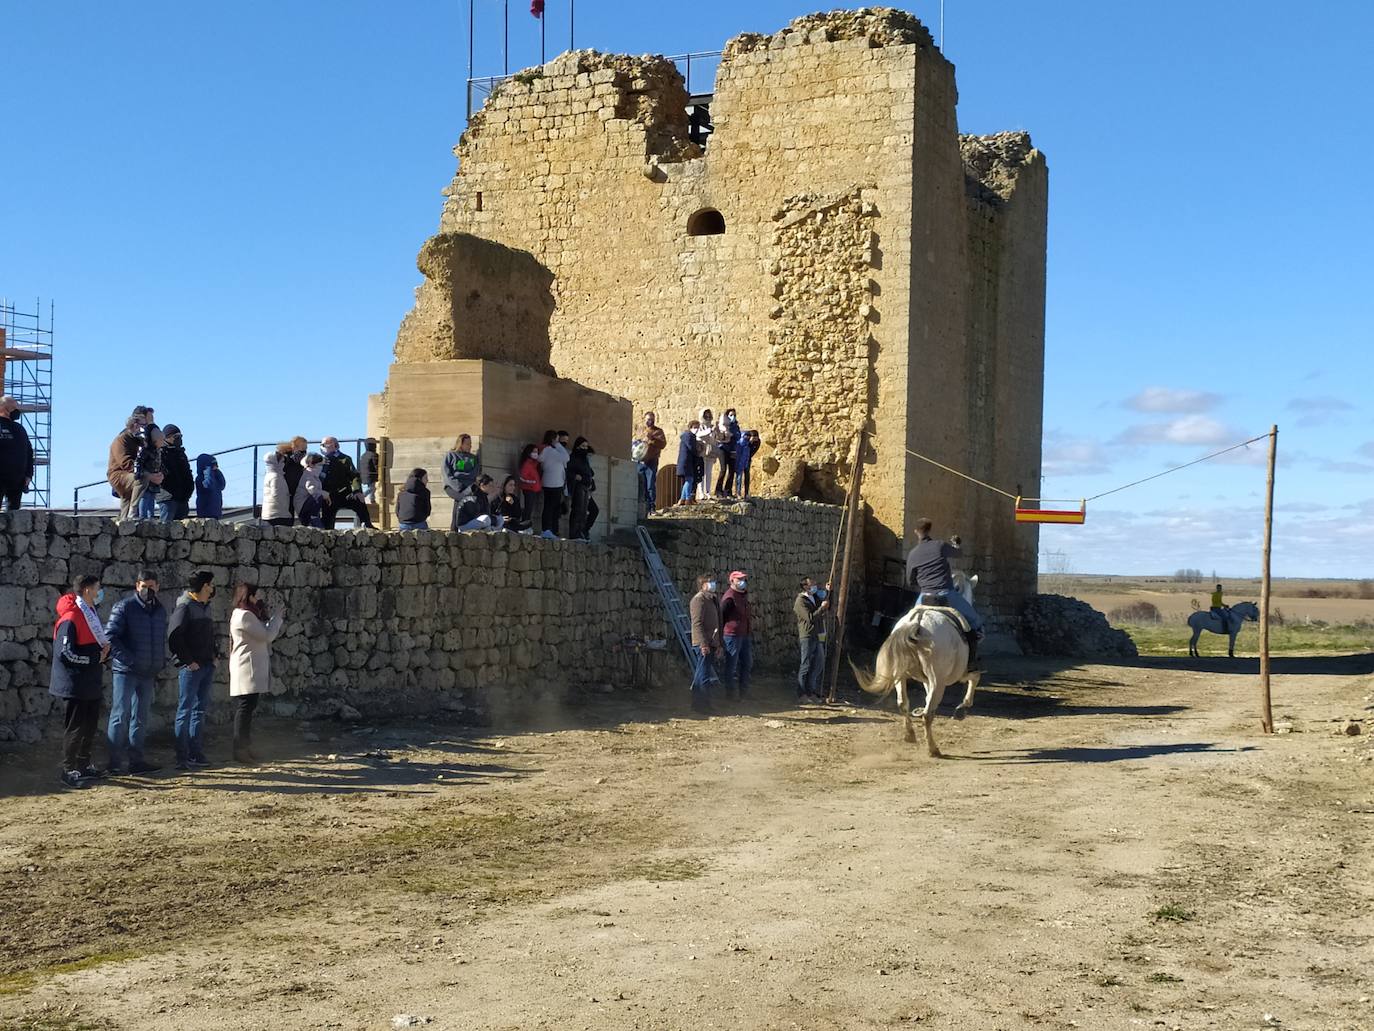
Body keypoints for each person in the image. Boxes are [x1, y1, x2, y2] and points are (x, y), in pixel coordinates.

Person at [49, 574, 110, 787]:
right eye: (97, 588)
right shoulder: (71, 618)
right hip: (75, 684)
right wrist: (94, 658)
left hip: (90, 682)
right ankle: (68, 769)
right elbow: (65, 653)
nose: (100, 592)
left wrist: (103, 655)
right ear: (87, 590)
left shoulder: (89, 615)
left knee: (90, 726)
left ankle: (83, 764)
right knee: (75, 727)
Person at [105, 570, 167, 775]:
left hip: (148, 672)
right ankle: (114, 763)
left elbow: (158, 639)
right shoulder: (124, 607)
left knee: (141, 717)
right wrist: (131, 660)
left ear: (157, 587)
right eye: (143, 586)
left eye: (151, 586)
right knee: (120, 715)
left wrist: (158, 662)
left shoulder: (159, 611)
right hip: (126, 671)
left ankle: (136, 761)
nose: (147, 590)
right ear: (136, 586)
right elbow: (111, 638)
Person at [905, 517, 983, 669]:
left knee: (908, 623)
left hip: (924, 596)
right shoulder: (940, 546)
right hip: (946, 593)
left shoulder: (913, 554)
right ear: (929, 529)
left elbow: (910, 581)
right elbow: (958, 553)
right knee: (975, 622)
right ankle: (970, 663)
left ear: (916, 531)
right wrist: (956, 543)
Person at [167, 570, 218, 770]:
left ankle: (195, 753)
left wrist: (215, 654)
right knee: (185, 711)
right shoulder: (185, 607)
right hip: (192, 668)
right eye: (211, 585)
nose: (213, 588)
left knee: (199, 711)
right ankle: (182, 756)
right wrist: (188, 661)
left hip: (206, 665)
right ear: (205, 586)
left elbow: (210, 634)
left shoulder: (205, 607)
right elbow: (174, 637)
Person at [228, 582, 284, 765]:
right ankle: (239, 748)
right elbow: (266, 636)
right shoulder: (245, 616)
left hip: (249, 668)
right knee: (244, 708)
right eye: (255, 596)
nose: (258, 599)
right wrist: (277, 618)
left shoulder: (247, 615)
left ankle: (245, 745)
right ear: (248, 596)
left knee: (249, 708)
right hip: (246, 669)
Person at [320, 436, 373, 529]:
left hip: (345, 493)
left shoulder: (345, 459)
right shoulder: (321, 460)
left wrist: (357, 491)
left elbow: (354, 476)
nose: (322, 447)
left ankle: (367, 524)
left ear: (334, 445)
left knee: (359, 501)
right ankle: (327, 531)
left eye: (324, 445)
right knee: (327, 519)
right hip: (329, 495)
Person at [688, 573, 722, 715]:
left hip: (712, 642)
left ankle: (701, 704)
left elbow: (717, 622)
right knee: (703, 675)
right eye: (709, 582)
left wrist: (718, 644)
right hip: (704, 643)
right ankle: (701, 705)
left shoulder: (712, 599)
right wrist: (703, 644)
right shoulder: (698, 600)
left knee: (704, 674)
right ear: (702, 585)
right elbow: (697, 624)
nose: (713, 584)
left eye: (713, 581)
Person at [795, 576, 833, 705]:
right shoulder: (800, 601)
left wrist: (829, 593)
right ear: (805, 586)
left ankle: (811, 692)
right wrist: (822, 608)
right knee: (805, 665)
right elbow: (810, 618)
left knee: (818, 663)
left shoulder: (814, 598)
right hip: (807, 635)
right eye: (812, 584)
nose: (815, 585)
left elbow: (827, 605)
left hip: (817, 635)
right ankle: (801, 694)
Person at [720, 570, 754, 701]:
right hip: (732, 635)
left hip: (744, 634)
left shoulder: (742, 596)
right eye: (739, 579)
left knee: (747, 663)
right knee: (731, 665)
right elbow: (722, 617)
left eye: (744, 579)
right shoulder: (729, 598)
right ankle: (731, 694)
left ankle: (744, 692)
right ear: (732, 581)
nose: (742, 582)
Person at [0, 395, 34, 512]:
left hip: (17, 481)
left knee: (14, 517)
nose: (17, 411)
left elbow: (29, 453)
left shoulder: (20, 429)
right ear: (4, 408)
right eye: (14, 408)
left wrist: (29, 475)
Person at [107, 416, 144, 520]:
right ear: (135, 425)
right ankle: (133, 512)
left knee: (127, 498)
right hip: (118, 474)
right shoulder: (121, 440)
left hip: (126, 473)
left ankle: (124, 520)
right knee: (141, 479)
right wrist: (143, 471)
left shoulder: (134, 440)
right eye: (141, 425)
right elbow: (124, 462)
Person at [537, 429, 571, 538]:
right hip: (554, 483)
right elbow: (566, 457)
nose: (559, 443)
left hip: (549, 482)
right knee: (551, 508)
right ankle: (548, 529)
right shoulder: (550, 451)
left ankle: (549, 529)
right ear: (553, 440)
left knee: (549, 507)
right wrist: (558, 445)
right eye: (557, 440)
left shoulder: (546, 451)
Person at [157, 424, 194, 521]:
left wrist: (188, 491)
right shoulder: (160, 452)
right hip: (167, 498)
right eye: (176, 437)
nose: (179, 439)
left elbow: (187, 474)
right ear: (167, 437)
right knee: (165, 528)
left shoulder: (181, 453)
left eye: (181, 436)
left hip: (182, 498)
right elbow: (160, 474)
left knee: (182, 532)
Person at [567, 436, 599, 541]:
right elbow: (569, 471)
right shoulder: (573, 458)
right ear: (577, 446)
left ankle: (580, 532)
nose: (585, 448)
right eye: (583, 446)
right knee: (578, 509)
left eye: (586, 446)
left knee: (583, 511)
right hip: (578, 486)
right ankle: (574, 533)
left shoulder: (585, 460)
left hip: (586, 487)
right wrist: (576, 476)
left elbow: (589, 472)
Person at [636, 412, 668, 512]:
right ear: (644, 419)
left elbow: (663, 444)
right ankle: (642, 508)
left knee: (650, 485)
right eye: (648, 419)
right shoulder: (640, 430)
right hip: (640, 461)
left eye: (652, 419)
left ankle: (651, 507)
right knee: (641, 485)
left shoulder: (658, 431)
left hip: (651, 461)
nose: (650, 421)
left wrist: (651, 439)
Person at [133, 426, 166, 519]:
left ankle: (150, 516)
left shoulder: (157, 452)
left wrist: (162, 473)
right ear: (156, 440)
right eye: (161, 440)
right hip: (144, 481)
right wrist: (139, 474)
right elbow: (138, 462)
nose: (163, 443)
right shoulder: (145, 450)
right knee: (144, 498)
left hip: (154, 481)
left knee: (151, 499)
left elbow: (160, 464)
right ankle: (142, 517)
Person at [261, 446, 293, 527]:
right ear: (277, 463)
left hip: (271, 514)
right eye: (282, 461)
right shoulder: (276, 477)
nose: (283, 464)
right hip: (277, 515)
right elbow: (278, 495)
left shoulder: (269, 475)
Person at [442, 434, 481, 500]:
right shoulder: (451, 455)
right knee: (462, 498)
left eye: (470, 443)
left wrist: (469, 485)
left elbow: (475, 473)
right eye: (467, 444)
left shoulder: (473, 458)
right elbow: (446, 472)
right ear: (460, 444)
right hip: (453, 486)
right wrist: (457, 485)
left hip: (469, 486)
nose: (470, 446)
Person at [294, 453, 326, 527]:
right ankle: (313, 516)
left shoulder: (314, 475)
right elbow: (312, 490)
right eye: (319, 465)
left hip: (305, 505)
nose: (321, 467)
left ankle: (314, 516)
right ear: (312, 464)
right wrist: (325, 494)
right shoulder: (309, 474)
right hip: (303, 506)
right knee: (319, 496)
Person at [715, 408, 741, 498]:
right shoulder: (722, 425)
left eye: (734, 415)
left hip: (733, 450)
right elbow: (720, 436)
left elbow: (738, 436)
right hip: (723, 449)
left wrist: (731, 434)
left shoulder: (735, 426)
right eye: (730, 415)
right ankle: (718, 490)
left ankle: (728, 491)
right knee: (723, 469)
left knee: (732, 470)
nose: (732, 417)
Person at [695, 408, 719, 501]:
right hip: (702, 451)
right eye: (706, 416)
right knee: (701, 473)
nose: (708, 417)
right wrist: (709, 430)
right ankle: (701, 493)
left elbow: (715, 440)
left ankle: (707, 492)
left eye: (709, 416)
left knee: (708, 473)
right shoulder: (699, 426)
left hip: (711, 452)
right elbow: (699, 435)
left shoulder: (712, 427)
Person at [517, 443, 542, 528]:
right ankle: (524, 525)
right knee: (528, 508)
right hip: (529, 489)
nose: (536, 453)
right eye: (534, 451)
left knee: (530, 508)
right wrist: (532, 482)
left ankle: (527, 525)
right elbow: (522, 477)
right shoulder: (527, 464)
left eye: (537, 452)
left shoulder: (533, 464)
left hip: (533, 489)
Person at [282, 436, 307, 520]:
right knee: (289, 513)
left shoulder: (304, 459)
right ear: (295, 446)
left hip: (299, 489)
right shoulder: (286, 458)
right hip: (289, 488)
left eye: (305, 448)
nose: (304, 451)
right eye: (302, 448)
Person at [677, 419, 701, 505]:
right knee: (689, 480)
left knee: (688, 480)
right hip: (686, 462)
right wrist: (698, 451)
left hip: (686, 462)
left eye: (698, 427)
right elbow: (692, 448)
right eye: (695, 427)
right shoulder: (689, 436)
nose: (697, 429)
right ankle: (687, 498)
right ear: (690, 427)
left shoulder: (688, 436)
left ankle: (682, 499)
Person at [195, 453, 225, 519]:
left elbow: (220, 485)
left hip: (211, 512)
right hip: (209, 512)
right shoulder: (202, 478)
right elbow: (209, 485)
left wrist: (214, 471)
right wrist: (209, 470)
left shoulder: (213, 478)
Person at [736, 429, 761, 498]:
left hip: (748, 459)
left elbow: (753, 451)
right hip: (741, 459)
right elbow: (741, 449)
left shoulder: (758, 442)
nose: (755, 440)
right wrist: (749, 442)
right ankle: (738, 493)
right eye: (754, 438)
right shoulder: (745, 440)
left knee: (747, 474)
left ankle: (746, 493)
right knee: (739, 475)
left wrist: (748, 457)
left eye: (756, 438)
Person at [360, 438, 380, 502]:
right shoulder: (373, 455)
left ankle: (372, 499)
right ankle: (363, 496)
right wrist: (379, 473)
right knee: (372, 488)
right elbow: (376, 465)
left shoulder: (363, 455)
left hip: (365, 475)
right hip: (371, 475)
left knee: (371, 488)